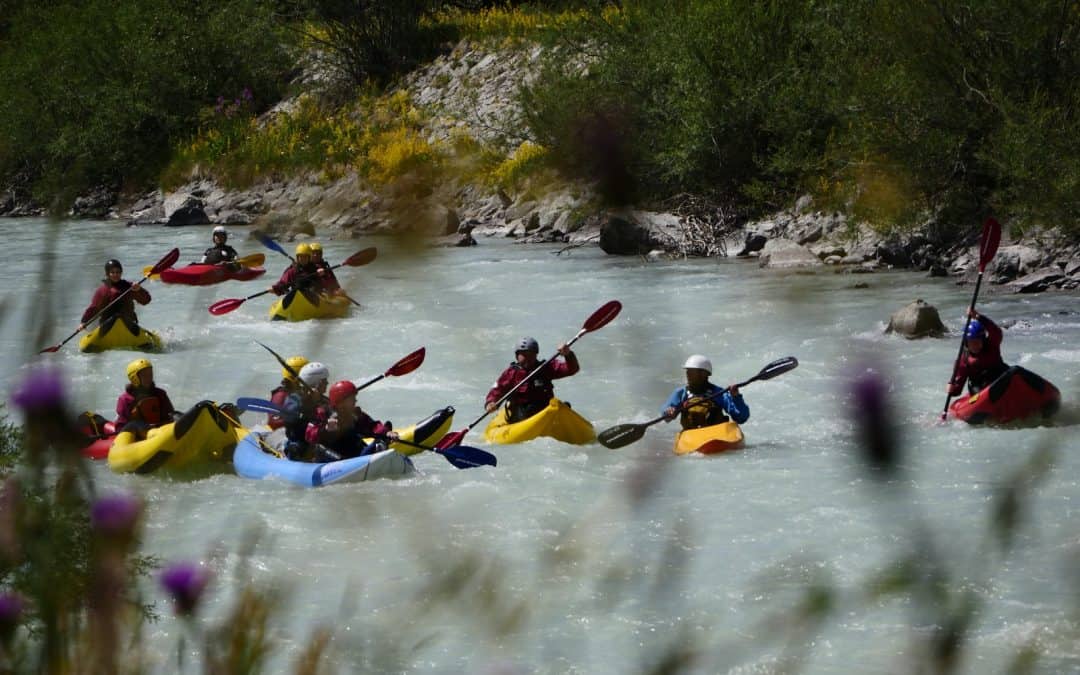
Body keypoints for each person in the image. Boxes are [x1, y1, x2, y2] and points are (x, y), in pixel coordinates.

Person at [484, 337, 579, 423]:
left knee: (562, 406)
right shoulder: (510, 373)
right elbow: (497, 390)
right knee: (527, 410)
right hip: (521, 415)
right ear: (517, 356)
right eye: (524, 354)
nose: (528, 358)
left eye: (531, 354)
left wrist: (568, 354)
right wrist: (491, 403)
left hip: (545, 411)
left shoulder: (546, 367)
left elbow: (571, 369)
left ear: (536, 355)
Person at [311, 380, 399, 459]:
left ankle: (377, 446)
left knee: (366, 438)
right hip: (333, 454)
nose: (355, 400)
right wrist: (325, 429)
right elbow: (310, 434)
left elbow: (372, 425)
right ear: (341, 402)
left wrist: (386, 432)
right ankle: (375, 448)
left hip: (351, 448)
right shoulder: (323, 413)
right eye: (352, 398)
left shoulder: (355, 413)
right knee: (320, 447)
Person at [662, 355, 749, 429]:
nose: (688, 374)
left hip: (717, 433)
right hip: (691, 435)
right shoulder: (681, 393)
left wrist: (736, 397)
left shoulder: (719, 393)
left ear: (704, 374)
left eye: (692, 372)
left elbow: (741, 418)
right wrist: (669, 412)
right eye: (687, 371)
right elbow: (666, 417)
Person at [948, 309, 1009, 396]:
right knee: (978, 389)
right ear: (966, 343)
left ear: (983, 340)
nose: (975, 345)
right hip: (980, 388)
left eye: (978, 341)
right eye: (972, 342)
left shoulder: (992, 345)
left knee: (1011, 371)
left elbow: (996, 331)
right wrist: (952, 388)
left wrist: (979, 317)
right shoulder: (963, 360)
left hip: (998, 378)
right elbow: (958, 387)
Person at [280, 361, 332, 461]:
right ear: (317, 383)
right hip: (300, 443)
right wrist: (309, 402)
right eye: (325, 381)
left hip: (320, 439)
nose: (327, 383)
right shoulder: (295, 398)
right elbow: (288, 419)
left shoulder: (324, 400)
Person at [79, 259, 151, 332]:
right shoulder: (102, 290)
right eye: (112, 272)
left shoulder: (129, 286)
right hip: (107, 326)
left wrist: (139, 290)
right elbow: (93, 307)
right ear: (107, 274)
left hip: (129, 325)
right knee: (115, 317)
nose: (115, 274)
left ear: (121, 273)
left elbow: (146, 300)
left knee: (120, 317)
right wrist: (84, 322)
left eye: (118, 272)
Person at [115, 359, 176, 432]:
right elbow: (120, 428)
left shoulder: (160, 394)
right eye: (145, 375)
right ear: (134, 378)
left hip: (160, 432)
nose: (149, 378)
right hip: (137, 436)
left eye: (150, 374)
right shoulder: (125, 400)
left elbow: (170, 414)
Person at [267, 355, 308, 430]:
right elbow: (273, 423)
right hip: (279, 434)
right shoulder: (280, 396)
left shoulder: (302, 392)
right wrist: (301, 417)